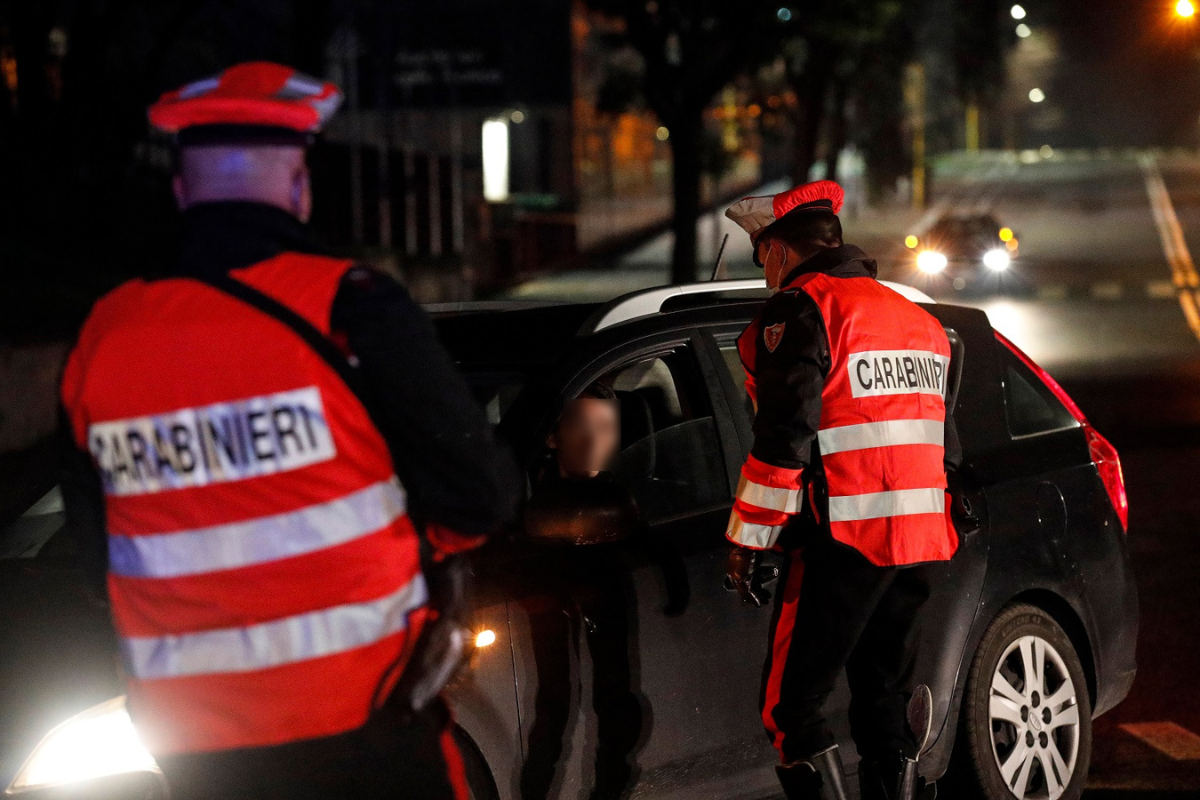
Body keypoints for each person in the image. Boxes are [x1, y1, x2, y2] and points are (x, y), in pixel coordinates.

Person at [57, 62, 519, 800]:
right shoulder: (351, 307)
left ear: (181, 193)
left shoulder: (104, 338)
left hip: (196, 745)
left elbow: (95, 555)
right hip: (362, 724)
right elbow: (481, 498)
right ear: (299, 186)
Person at [721, 180, 961, 800]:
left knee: (791, 709)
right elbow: (945, 446)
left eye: (763, 259)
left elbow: (783, 439)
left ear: (778, 251)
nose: (766, 274)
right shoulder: (916, 318)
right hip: (920, 540)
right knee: (883, 697)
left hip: (844, 540)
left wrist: (749, 540)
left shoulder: (803, 309)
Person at [519, 382, 647, 799]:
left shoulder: (625, 495)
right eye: (581, 426)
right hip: (547, 602)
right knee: (553, 704)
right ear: (553, 436)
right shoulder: (525, 497)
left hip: (603, 596)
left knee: (614, 699)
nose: (594, 440)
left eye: (606, 427)